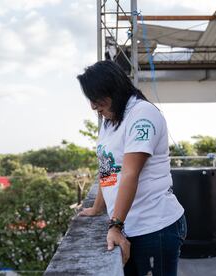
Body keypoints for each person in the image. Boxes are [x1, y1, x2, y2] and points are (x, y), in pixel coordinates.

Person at [77, 60, 187, 276]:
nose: (93, 106)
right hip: (130, 225)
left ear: (114, 89)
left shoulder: (142, 114)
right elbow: (108, 170)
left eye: (97, 98)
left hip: (154, 227)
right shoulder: (110, 121)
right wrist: (98, 208)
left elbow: (130, 173)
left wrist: (115, 226)